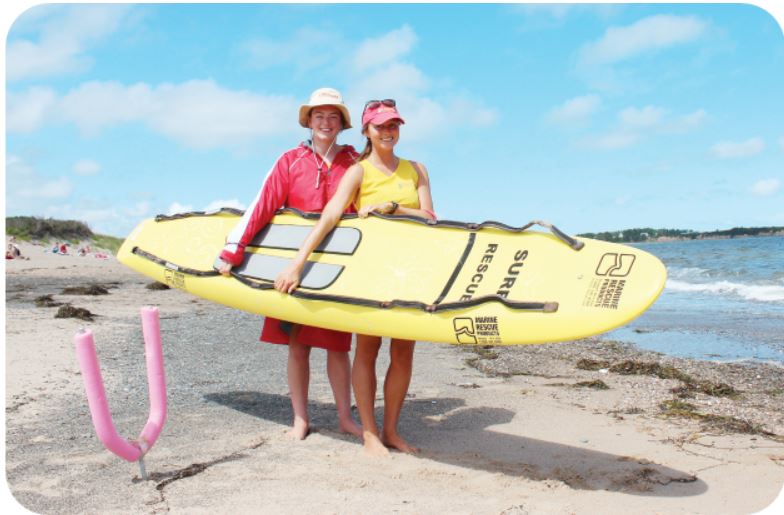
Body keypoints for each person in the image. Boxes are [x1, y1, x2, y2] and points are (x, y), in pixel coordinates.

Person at [274, 99, 436, 456]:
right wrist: (297, 264)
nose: (388, 131)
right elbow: (330, 217)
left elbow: (430, 217)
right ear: (367, 130)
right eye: (379, 126)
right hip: (372, 271)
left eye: (393, 125)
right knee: (367, 349)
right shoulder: (359, 172)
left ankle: (392, 430)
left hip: (410, 269)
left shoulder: (417, 169)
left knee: (404, 352)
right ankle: (369, 432)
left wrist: (393, 208)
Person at [216, 87, 362, 440]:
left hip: (337, 263)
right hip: (291, 262)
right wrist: (233, 252)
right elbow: (262, 206)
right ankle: (301, 418)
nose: (325, 122)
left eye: (332, 117)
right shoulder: (290, 160)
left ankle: (345, 417)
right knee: (298, 345)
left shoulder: (354, 162)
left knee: (338, 347)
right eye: (318, 116)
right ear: (309, 122)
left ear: (342, 124)